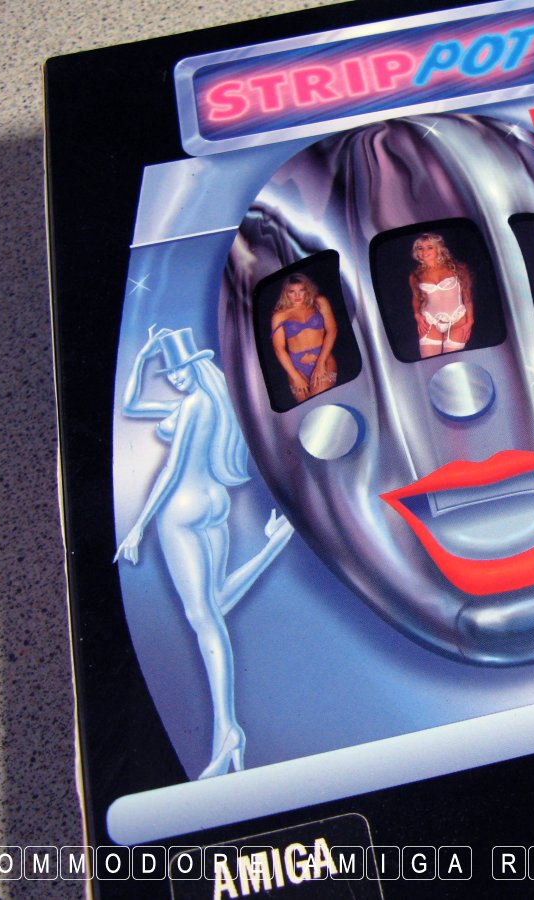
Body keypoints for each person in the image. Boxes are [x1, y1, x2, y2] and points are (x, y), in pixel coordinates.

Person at [115, 326, 295, 778]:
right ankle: (272, 547)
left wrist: (138, 526)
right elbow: (132, 406)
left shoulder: (193, 405)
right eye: (170, 372)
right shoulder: (214, 401)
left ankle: (227, 726)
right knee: (213, 608)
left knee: (203, 619)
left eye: (179, 369)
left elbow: (172, 471)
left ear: (196, 366)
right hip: (215, 504)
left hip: (181, 510)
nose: (175, 377)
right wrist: (145, 359)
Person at [271, 273, 338, 403]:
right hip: (296, 367)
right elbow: (279, 349)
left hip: (323, 358)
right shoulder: (279, 316)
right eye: (292, 292)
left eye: (301, 290)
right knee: (308, 408)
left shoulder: (319, 302)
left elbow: (332, 330)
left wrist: (320, 363)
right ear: (286, 293)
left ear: (308, 290)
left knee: (320, 403)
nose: (297, 296)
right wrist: (295, 377)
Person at [410, 233, 474, 358]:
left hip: (458, 320)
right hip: (430, 321)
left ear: (438, 249)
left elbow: (468, 297)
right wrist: (417, 315)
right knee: (429, 364)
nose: (424, 252)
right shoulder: (415, 275)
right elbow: (416, 298)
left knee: (451, 364)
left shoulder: (458, 268)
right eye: (420, 248)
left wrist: (470, 321)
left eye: (429, 247)